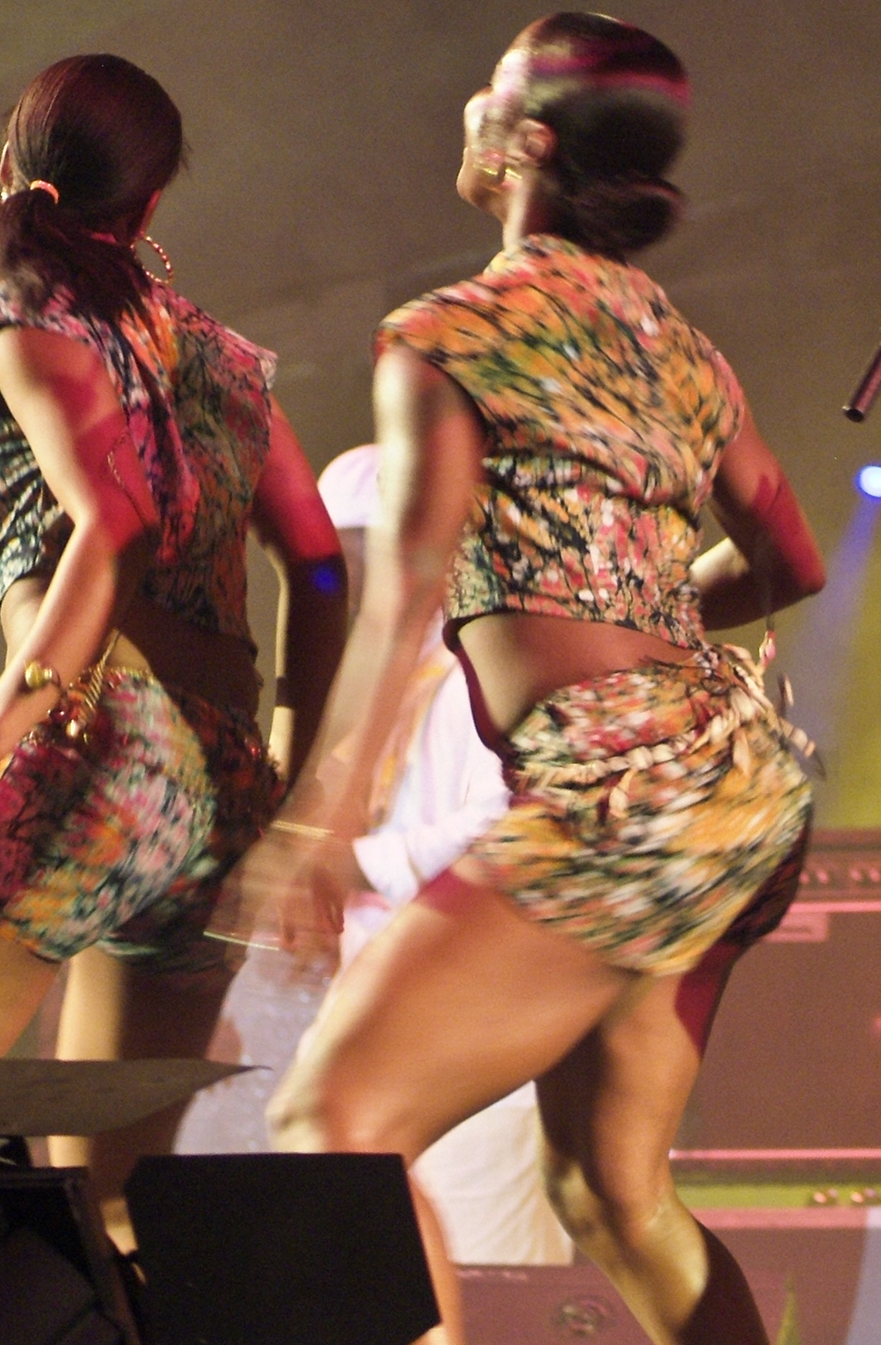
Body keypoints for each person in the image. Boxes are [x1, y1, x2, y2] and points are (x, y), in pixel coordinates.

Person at [233, 13, 825, 1345]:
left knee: (335, 1122)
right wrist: (657, 614)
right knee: (614, 1195)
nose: (465, 105)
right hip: (738, 783)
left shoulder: (451, 334)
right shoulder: (676, 342)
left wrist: (320, 820)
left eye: (486, 89)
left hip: (626, 787)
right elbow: (790, 558)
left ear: (527, 144)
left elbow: (408, 591)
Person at [0, 53, 348, 1242]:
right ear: (152, 206)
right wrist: (296, 799)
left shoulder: (28, 316)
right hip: (216, 798)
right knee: (110, 1222)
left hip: (93, 741)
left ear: (12, 164)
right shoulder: (221, 358)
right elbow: (319, 567)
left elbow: (112, 522)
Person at [314, 442, 574, 1267]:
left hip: (474, 1027)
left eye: (358, 556)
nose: (343, 583)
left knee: (489, 1275)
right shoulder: (390, 679)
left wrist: (361, 864)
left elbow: (517, 825)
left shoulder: (484, 664)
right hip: (384, 1026)